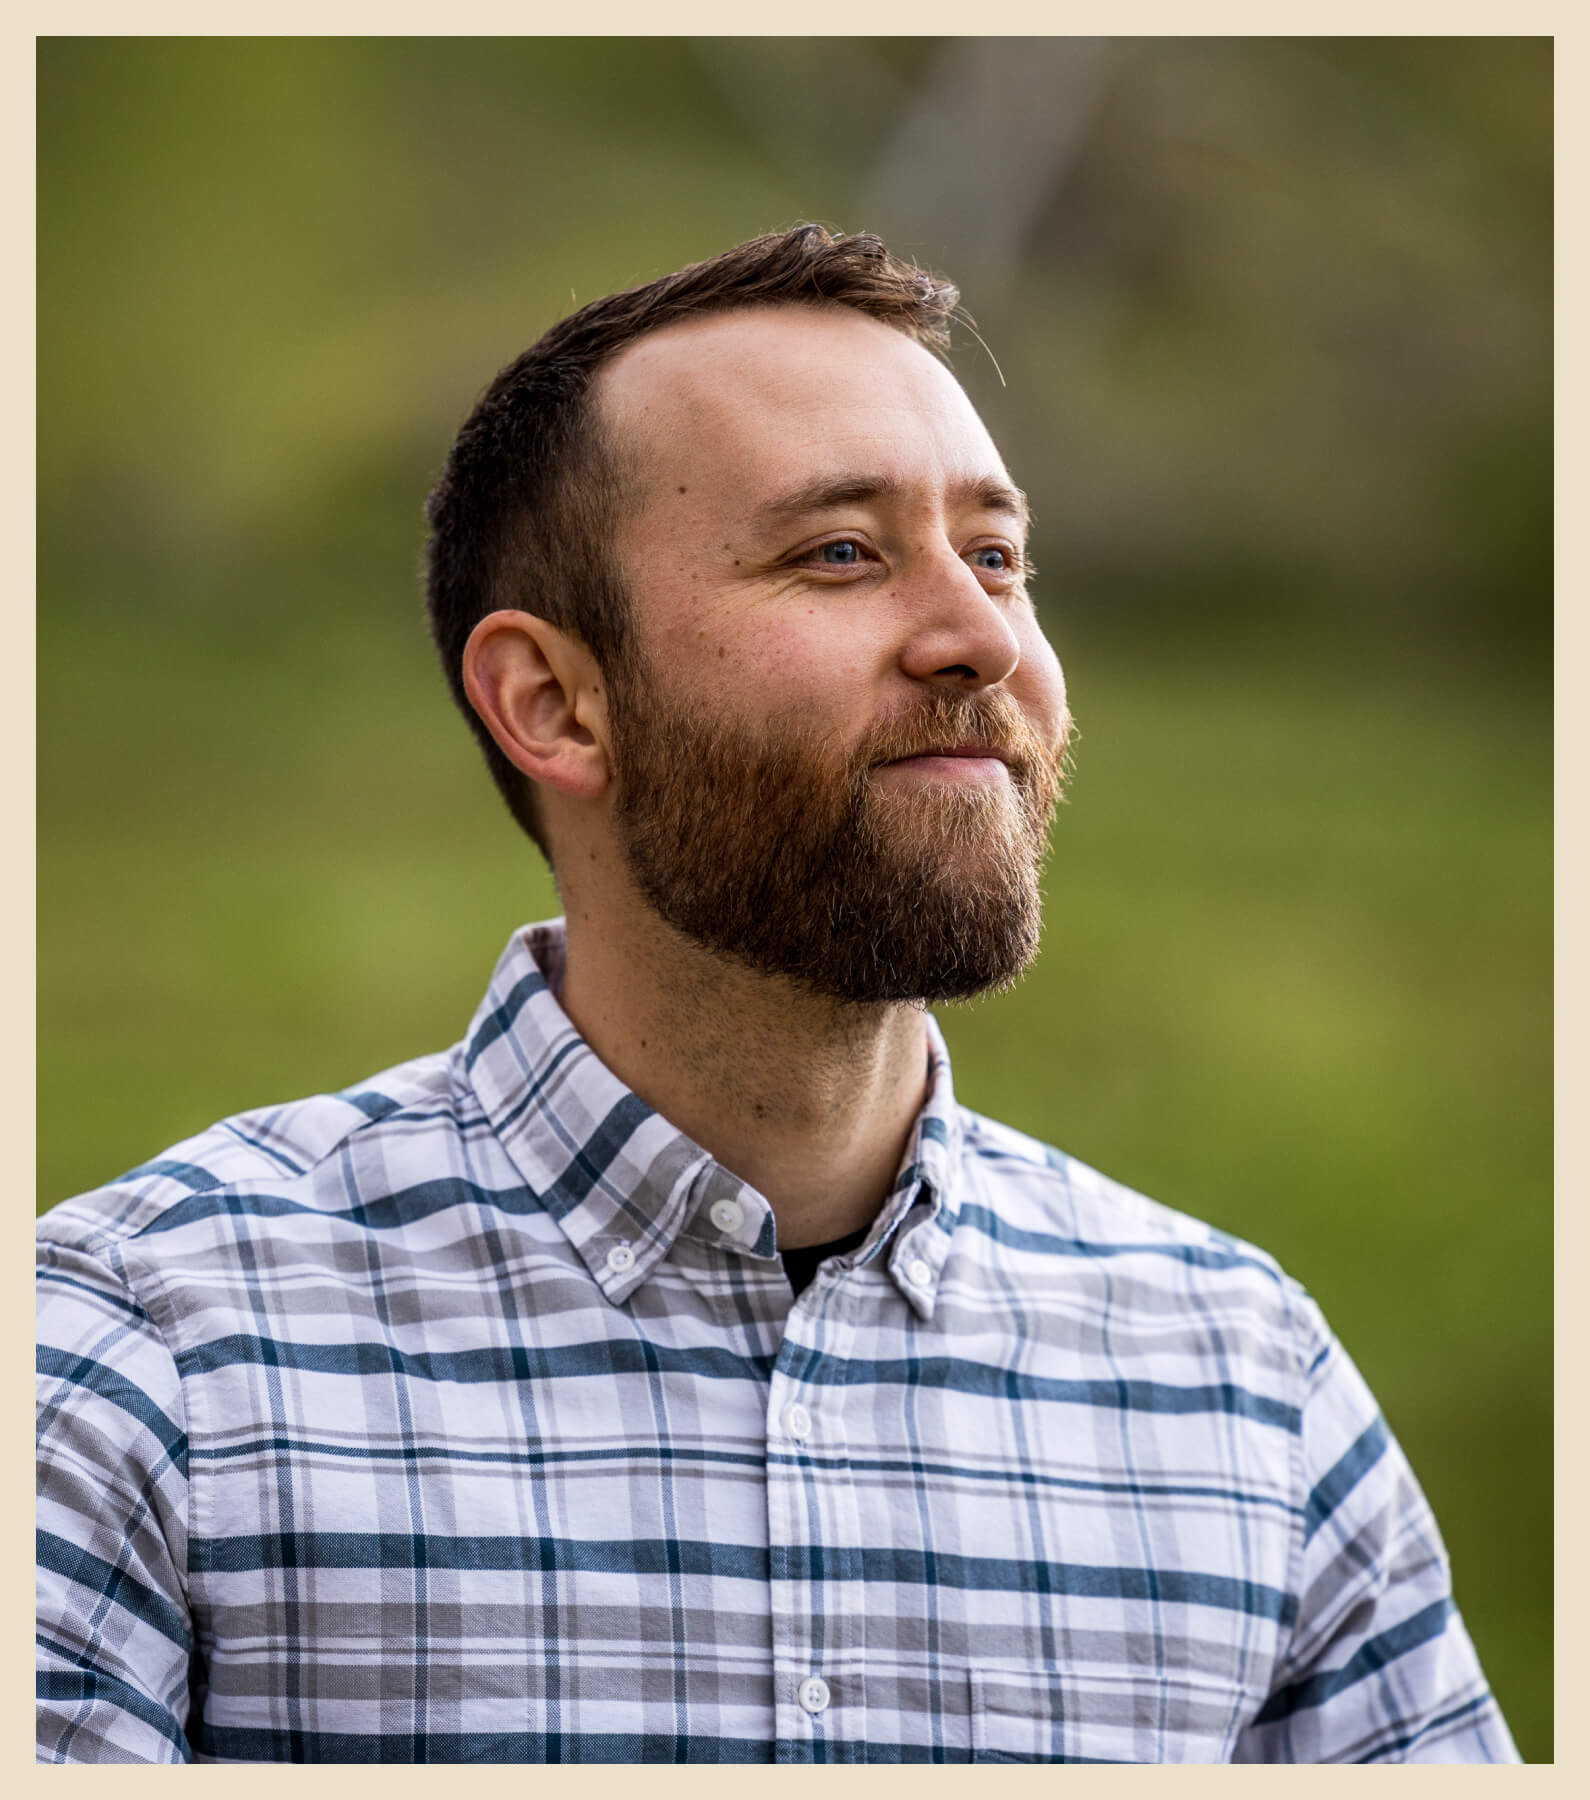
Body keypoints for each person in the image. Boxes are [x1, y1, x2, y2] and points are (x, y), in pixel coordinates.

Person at [36, 225, 1517, 1765]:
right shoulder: (148, 1352)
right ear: (553, 701)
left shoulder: (1239, 1383)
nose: (979, 638)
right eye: (839, 554)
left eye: (996, 555)